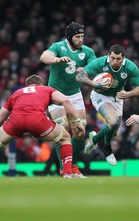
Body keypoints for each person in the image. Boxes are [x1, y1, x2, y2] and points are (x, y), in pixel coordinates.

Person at [0, 75, 85, 179]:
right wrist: (77, 122)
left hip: (16, 121)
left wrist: (7, 131)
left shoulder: (17, 93)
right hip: (37, 120)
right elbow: (66, 102)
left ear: (27, 85)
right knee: (65, 137)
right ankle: (68, 173)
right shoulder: (46, 89)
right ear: (40, 84)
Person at [40, 22, 96, 178]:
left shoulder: (87, 51)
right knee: (62, 128)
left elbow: (95, 64)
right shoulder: (58, 47)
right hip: (55, 94)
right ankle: (64, 169)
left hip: (75, 95)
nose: (80, 40)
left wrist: (86, 69)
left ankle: (72, 165)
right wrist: (56, 60)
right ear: (70, 37)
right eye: (77, 37)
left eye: (82, 37)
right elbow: (44, 56)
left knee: (80, 131)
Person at [76, 44, 139, 166]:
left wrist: (128, 94)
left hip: (118, 97)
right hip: (100, 95)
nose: (115, 61)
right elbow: (80, 76)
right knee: (113, 122)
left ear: (123, 58)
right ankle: (107, 149)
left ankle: (95, 139)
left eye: (118, 59)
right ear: (109, 56)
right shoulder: (101, 62)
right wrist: (94, 84)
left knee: (113, 132)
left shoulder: (130, 67)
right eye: (112, 58)